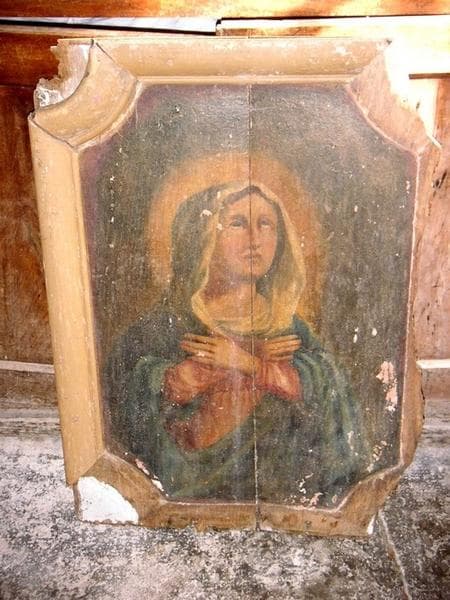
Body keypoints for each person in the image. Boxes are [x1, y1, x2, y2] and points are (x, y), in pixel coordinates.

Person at [106, 181, 368, 505]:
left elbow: (330, 388)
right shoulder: (164, 324)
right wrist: (185, 376)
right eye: (238, 223)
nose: (255, 240)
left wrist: (249, 364)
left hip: (278, 494)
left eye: (266, 224)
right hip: (182, 490)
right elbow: (128, 390)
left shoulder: (289, 328)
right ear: (203, 237)